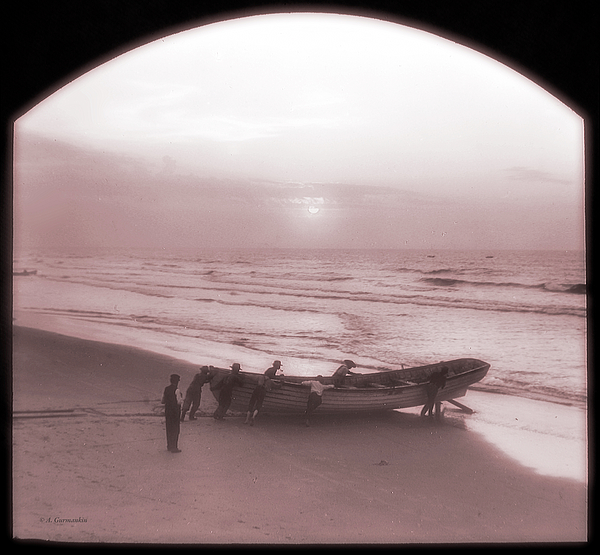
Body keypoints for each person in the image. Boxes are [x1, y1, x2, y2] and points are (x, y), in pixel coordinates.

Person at [162, 373, 183, 452]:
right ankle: (174, 447)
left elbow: (163, 401)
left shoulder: (166, 389)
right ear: (177, 382)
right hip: (175, 412)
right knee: (175, 429)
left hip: (168, 411)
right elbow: (179, 402)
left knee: (169, 428)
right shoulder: (177, 390)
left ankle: (169, 446)